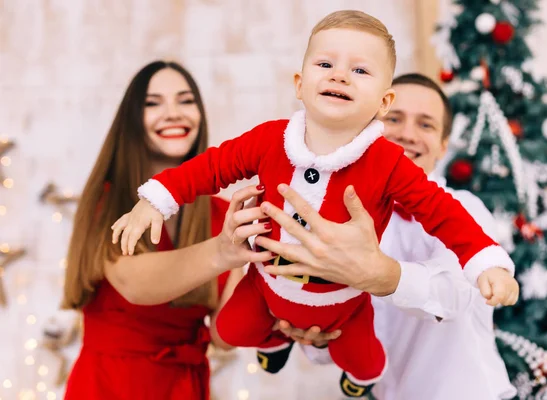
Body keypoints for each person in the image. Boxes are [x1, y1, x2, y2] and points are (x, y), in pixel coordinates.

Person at [112, 11, 518, 397]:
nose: (340, 75)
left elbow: (447, 225)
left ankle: (360, 378)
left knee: (362, 360)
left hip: (427, 374)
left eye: (359, 70)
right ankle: (275, 341)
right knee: (234, 329)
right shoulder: (271, 140)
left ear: (381, 103)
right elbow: (213, 166)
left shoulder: (396, 170)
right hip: (270, 288)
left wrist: (486, 261)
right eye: (325, 64)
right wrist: (157, 199)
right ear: (299, 83)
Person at [262, 73, 518, 399]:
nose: (407, 134)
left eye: (425, 125)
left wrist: (385, 275)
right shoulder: (336, 212)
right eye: (394, 118)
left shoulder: (466, 209)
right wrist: (319, 338)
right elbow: (337, 331)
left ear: (442, 146)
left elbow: (460, 295)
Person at [61, 61, 274, 400]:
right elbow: (135, 284)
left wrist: (290, 310)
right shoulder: (109, 199)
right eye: (153, 103)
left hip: (185, 386)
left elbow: (222, 335)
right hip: (111, 385)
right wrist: (223, 251)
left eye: (186, 101)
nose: (174, 113)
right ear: (131, 121)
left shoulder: (221, 213)